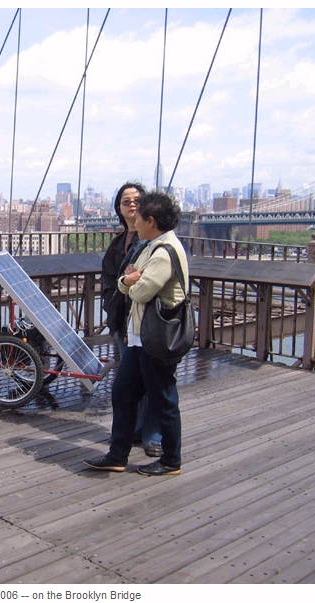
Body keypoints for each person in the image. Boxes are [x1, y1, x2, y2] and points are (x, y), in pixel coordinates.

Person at [85, 190, 188, 476]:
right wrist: (128, 279)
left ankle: (171, 460)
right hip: (139, 337)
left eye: (140, 217)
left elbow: (140, 292)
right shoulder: (151, 246)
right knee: (123, 392)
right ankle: (118, 454)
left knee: (163, 398)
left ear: (151, 221)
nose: (135, 221)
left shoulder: (164, 252)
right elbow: (128, 278)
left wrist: (129, 281)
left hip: (156, 340)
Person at [100, 183, 161, 456]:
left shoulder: (153, 242)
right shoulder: (117, 244)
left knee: (151, 380)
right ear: (118, 208)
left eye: (137, 200)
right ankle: (136, 431)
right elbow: (108, 282)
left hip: (148, 321)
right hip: (124, 321)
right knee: (130, 379)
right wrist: (112, 311)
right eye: (126, 201)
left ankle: (154, 437)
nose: (132, 205)